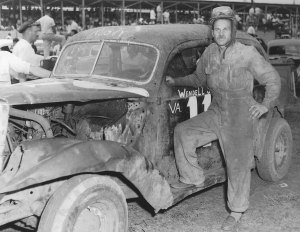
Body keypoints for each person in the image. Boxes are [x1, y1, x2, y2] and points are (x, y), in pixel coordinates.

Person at [166, 6, 281, 231]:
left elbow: (273, 79)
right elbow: (199, 78)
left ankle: (236, 212)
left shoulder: (247, 53)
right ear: (212, 31)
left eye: (225, 29)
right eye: (216, 29)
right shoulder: (209, 52)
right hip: (217, 110)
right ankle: (193, 177)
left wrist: (264, 105)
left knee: (236, 166)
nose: (220, 33)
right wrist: (175, 81)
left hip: (240, 116)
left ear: (232, 30)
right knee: (183, 132)